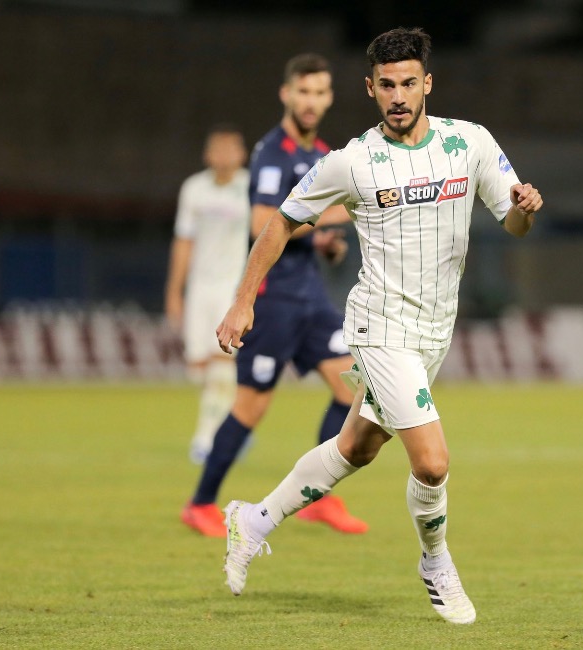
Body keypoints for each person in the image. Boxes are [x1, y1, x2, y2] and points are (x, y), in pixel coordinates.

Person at [215, 27, 543, 625]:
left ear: (427, 84)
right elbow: (280, 222)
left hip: (434, 332)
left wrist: (523, 209)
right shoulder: (353, 161)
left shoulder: (469, 143)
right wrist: (244, 301)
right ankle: (437, 563)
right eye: (386, 85)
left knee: (355, 448)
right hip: (380, 327)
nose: (398, 96)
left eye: (408, 83)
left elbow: (512, 222)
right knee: (433, 462)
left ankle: (252, 520)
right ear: (370, 88)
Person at [180, 53, 368, 538]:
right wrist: (335, 216)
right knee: (251, 407)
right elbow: (263, 223)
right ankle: (200, 504)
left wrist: (324, 244)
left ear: (329, 98)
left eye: (319, 92)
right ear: (286, 94)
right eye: (303, 91)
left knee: (352, 388)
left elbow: (302, 228)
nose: (311, 101)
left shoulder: (322, 154)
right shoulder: (272, 153)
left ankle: (318, 498)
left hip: (311, 297)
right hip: (274, 298)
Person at [165, 124, 250, 465]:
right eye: (219, 149)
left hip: (233, 286)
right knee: (199, 368)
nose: (225, 155)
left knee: (222, 360)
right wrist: (175, 291)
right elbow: (184, 241)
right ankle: (234, 424)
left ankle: (206, 438)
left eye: (231, 149)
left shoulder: (251, 187)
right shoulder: (194, 189)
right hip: (200, 286)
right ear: (208, 155)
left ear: (242, 154)